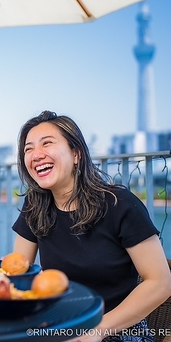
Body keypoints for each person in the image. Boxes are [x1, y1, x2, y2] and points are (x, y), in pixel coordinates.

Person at [12, 110, 171, 342]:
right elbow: (17, 271)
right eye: (28, 149)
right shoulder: (35, 205)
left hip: (116, 330)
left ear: (76, 154)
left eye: (47, 143)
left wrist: (97, 331)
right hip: (58, 325)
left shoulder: (120, 204)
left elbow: (160, 283)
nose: (36, 155)